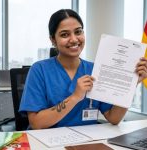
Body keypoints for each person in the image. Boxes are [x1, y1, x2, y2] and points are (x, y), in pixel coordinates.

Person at [19, 9, 147, 129]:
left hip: (85, 141)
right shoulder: (39, 70)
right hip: (46, 143)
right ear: (53, 40)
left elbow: (113, 118)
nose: (74, 39)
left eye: (78, 32)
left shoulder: (95, 69)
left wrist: (131, 83)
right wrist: (75, 97)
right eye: (64, 34)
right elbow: (36, 123)